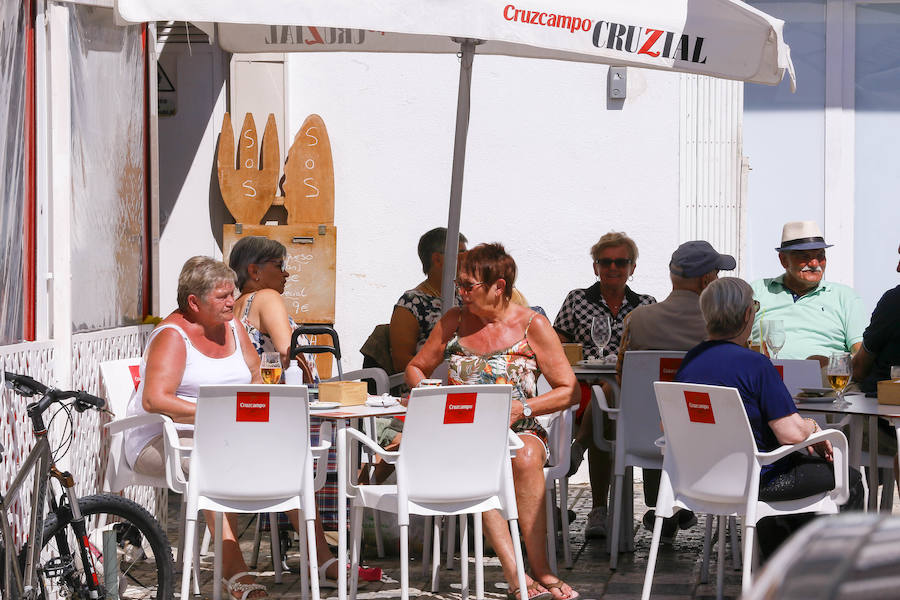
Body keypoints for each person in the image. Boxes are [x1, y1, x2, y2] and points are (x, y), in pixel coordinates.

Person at [408, 243, 580, 600]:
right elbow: (415, 367)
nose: (461, 292)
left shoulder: (533, 325)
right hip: (461, 431)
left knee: (527, 457)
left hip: (518, 427)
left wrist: (524, 409)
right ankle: (517, 575)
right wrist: (429, 393)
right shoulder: (453, 321)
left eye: (469, 285)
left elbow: (570, 391)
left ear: (498, 287)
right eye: (460, 284)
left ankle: (542, 568)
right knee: (477, 461)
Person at [229, 237, 380, 587]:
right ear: (254, 271)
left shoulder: (237, 306)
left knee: (294, 464)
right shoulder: (267, 298)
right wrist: (312, 379)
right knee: (340, 452)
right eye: (279, 266)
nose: (287, 273)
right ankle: (330, 555)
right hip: (290, 411)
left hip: (258, 417)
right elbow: (288, 349)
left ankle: (319, 557)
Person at [675, 277, 862, 559]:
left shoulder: (691, 361)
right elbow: (791, 434)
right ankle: (829, 573)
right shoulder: (756, 365)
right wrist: (813, 427)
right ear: (748, 314)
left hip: (699, 478)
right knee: (850, 478)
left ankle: (780, 565)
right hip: (757, 479)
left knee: (794, 469)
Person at [124, 256, 269, 599]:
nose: (232, 301)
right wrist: (220, 414)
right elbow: (155, 401)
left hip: (222, 433)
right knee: (214, 460)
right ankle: (233, 570)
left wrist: (254, 415)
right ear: (194, 302)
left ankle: (319, 558)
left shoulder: (233, 327)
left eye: (232, 293)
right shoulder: (173, 337)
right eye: (222, 296)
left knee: (289, 450)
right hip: (158, 440)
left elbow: (255, 374)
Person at [616, 240, 735, 543]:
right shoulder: (719, 325)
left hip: (644, 436)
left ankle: (664, 509)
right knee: (677, 413)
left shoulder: (638, 319)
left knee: (659, 409)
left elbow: (622, 377)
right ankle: (676, 507)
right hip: (706, 434)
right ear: (708, 280)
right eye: (718, 273)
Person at [553, 231, 655, 539]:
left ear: (632, 267)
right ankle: (603, 509)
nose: (614, 268)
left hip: (630, 390)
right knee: (604, 406)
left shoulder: (646, 305)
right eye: (606, 261)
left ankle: (583, 457)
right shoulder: (577, 299)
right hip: (583, 387)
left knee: (610, 398)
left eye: (621, 262)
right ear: (596, 267)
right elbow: (557, 342)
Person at [751, 221, 867, 364]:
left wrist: (830, 365)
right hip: (766, 379)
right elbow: (735, 342)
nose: (814, 263)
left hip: (826, 383)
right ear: (783, 260)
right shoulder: (757, 291)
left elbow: (861, 357)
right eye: (804, 256)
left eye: (820, 255)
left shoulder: (845, 297)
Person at [389, 226, 468, 374]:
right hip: (427, 386)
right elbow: (400, 361)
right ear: (437, 259)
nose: (467, 260)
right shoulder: (411, 303)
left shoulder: (465, 296)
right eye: (462, 254)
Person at [852, 243, 900, 394]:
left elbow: (859, 369)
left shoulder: (894, 300)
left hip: (882, 404)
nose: (898, 268)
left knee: (819, 364)